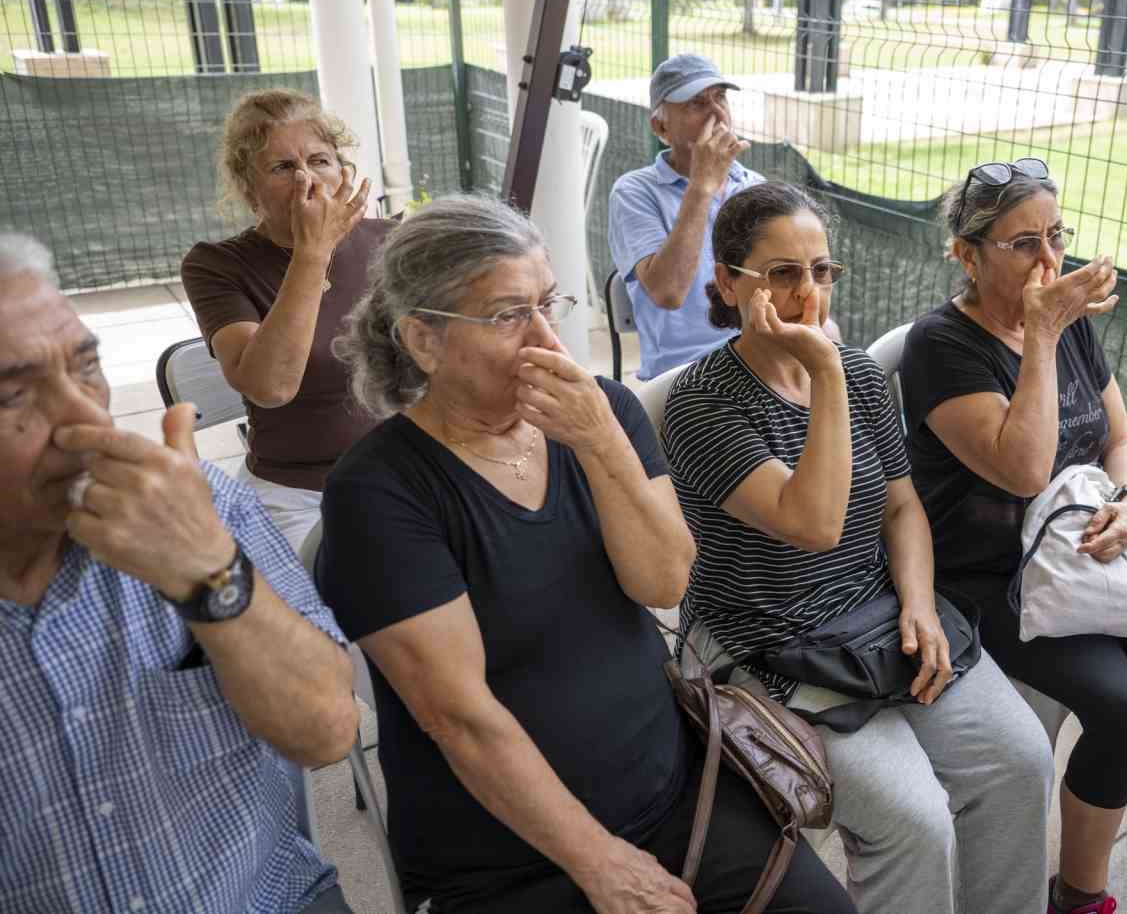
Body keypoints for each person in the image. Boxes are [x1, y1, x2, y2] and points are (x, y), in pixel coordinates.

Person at [315, 196, 855, 914]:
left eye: (548, 305)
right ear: (423, 340)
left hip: (675, 798)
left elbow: (663, 581)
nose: (548, 341)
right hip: (508, 855)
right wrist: (600, 862)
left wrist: (601, 441)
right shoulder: (380, 492)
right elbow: (459, 716)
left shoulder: (601, 411)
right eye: (509, 316)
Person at [662, 181, 1054, 914]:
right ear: (727, 282)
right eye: (782, 273)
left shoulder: (861, 377)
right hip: (767, 646)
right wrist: (826, 370)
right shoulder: (703, 403)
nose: (808, 291)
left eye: (820, 270)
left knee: (1021, 759)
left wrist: (920, 607)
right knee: (916, 819)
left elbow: (902, 507)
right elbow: (813, 524)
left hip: (873, 620)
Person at [897, 159, 1127, 914]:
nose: (1049, 261)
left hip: (1091, 556)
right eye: (1023, 244)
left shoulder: (1065, 330)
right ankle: (1080, 895)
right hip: (991, 578)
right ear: (967, 256)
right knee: (1126, 708)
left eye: (1056, 236)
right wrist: (1040, 332)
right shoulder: (941, 347)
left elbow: (1123, 438)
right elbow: (1024, 470)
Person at [0, 232, 359, 913]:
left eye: (85, 367)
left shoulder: (197, 503)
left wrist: (209, 573)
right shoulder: (222, 261)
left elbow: (327, 732)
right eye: (12, 397)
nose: (84, 416)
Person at [182, 88, 394, 551]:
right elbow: (271, 387)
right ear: (247, 190)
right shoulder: (216, 266)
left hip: (404, 477)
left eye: (319, 160)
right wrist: (312, 252)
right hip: (299, 497)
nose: (307, 180)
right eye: (283, 168)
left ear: (342, 171)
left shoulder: (392, 243)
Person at [607, 53, 765, 379]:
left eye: (720, 97)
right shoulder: (635, 192)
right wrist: (701, 186)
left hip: (759, 357)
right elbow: (668, 292)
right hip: (685, 375)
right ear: (660, 126)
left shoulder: (753, 187)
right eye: (696, 104)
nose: (717, 114)